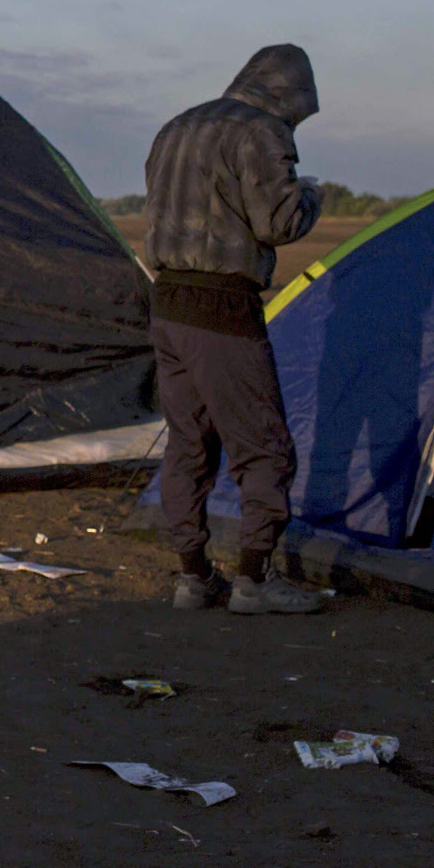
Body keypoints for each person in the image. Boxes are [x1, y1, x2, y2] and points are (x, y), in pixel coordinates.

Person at [144, 44, 325, 615]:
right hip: (224, 311)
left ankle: (194, 578)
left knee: (187, 445)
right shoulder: (261, 132)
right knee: (264, 449)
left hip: (168, 304)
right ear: (288, 94)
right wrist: (313, 194)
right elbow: (280, 221)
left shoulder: (176, 127)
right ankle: (254, 580)